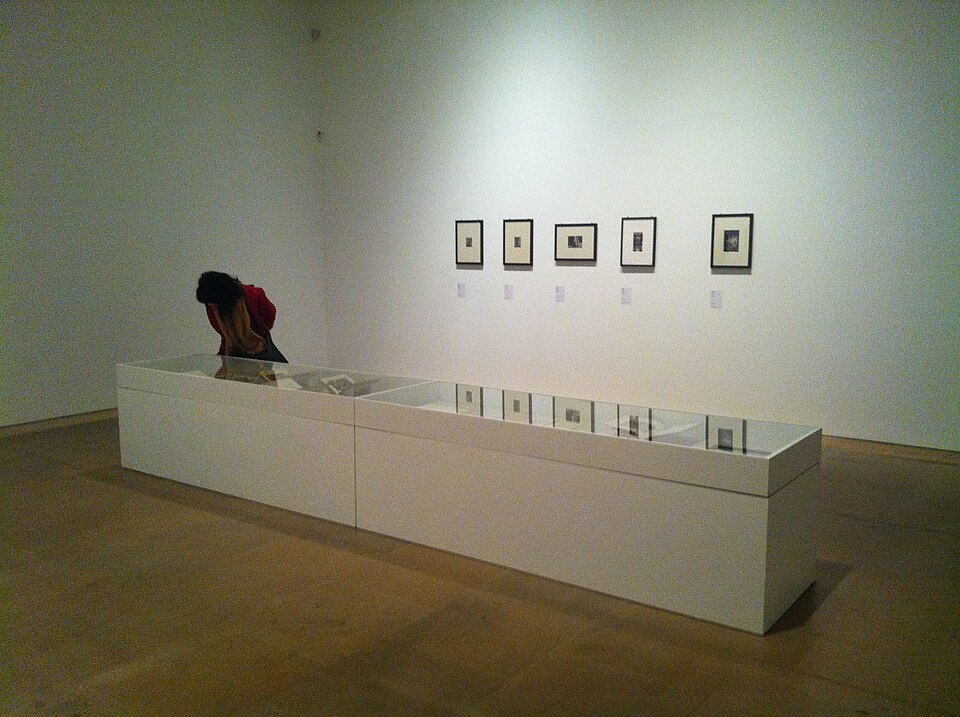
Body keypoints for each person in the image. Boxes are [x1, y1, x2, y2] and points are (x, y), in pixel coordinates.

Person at [195, 271, 288, 363]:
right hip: (232, 348)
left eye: (212, 302)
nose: (210, 305)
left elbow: (270, 314)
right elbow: (223, 333)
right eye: (208, 303)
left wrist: (258, 333)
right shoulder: (212, 306)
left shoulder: (254, 295)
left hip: (259, 347)